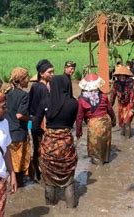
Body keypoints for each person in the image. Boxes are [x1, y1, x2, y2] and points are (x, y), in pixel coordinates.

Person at [34, 75, 79, 207]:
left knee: (49, 181)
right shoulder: (73, 103)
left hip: (49, 144)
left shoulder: (45, 103)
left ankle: (51, 210)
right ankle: (71, 211)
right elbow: (72, 123)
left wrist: (47, 135)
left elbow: (36, 127)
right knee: (68, 181)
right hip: (66, 143)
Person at [76, 74, 116, 165]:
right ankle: (105, 162)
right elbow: (110, 110)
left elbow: (79, 118)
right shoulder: (103, 96)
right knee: (105, 144)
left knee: (95, 148)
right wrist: (114, 121)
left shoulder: (82, 99)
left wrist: (79, 132)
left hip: (94, 124)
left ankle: (98, 170)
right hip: (106, 121)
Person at [5, 67, 33, 187]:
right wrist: (31, 119)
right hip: (19, 133)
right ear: (21, 80)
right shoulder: (24, 95)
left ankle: (11, 184)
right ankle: (19, 186)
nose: (28, 81)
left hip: (7, 132)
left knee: (10, 162)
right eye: (27, 78)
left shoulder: (6, 93)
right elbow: (19, 115)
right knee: (20, 164)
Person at [28, 59, 54, 181]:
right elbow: (46, 108)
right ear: (42, 74)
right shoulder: (43, 89)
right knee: (42, 149)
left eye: (53, 72)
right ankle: (43, 174)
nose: (52, 74)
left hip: (33, 121)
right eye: (49, 72)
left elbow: (29, 105)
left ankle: (36, 174)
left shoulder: (34, 86)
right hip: (41, 122)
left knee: (36, 147)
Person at [110, 66, 134, 138]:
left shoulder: (131, 84)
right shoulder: (116, 84)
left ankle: (127, 139)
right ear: (118, 76)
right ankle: (123, 137)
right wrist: (109, 108)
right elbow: (112, 97)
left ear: (126, 76)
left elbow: (132, 96)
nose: (122, 77)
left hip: (130, 105)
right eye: (120, 76)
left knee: (127, 122)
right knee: (122, 124)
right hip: (121, 106)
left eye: (124, 76)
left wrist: (131, 108)